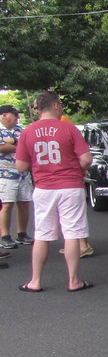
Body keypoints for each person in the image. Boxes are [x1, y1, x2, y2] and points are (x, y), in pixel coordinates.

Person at [14, 91, 93, 292]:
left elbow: (21, 165)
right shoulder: (69, 128)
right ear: (56, 105)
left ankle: (35, 281)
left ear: (39, 109)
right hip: (70, 186)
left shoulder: (27, 132)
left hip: (44, 187)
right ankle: (74, 280)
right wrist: (76, 169)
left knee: (41, 233)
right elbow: (86, 159)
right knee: (71, 233)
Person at [0, 104, 33, 251]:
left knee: (24, 202)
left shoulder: (21, 130)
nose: (17, 117)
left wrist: (11, 144)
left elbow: (28, 146)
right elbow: (2, 148)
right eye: (15, 114)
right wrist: (15, 145)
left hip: (23, 173)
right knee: (6, 205)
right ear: (4, 115)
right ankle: (5, 236)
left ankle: (22, 233)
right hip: (5, 174)